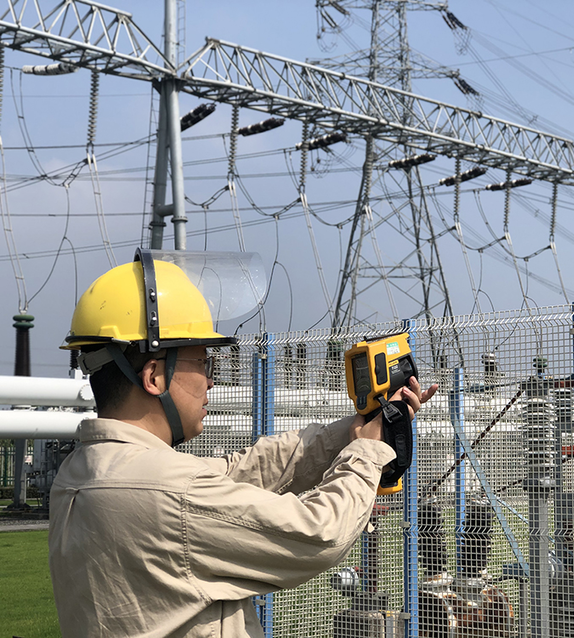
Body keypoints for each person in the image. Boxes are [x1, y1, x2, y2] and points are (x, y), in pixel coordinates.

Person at [48, 250, 437, 637]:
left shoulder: (82, 473)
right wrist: (367, 453)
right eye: (203, 363)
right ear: (154, 377)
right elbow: (319, 535)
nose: (210, 381)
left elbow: (241, 473)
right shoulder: (169, 490)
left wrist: (353, 429)